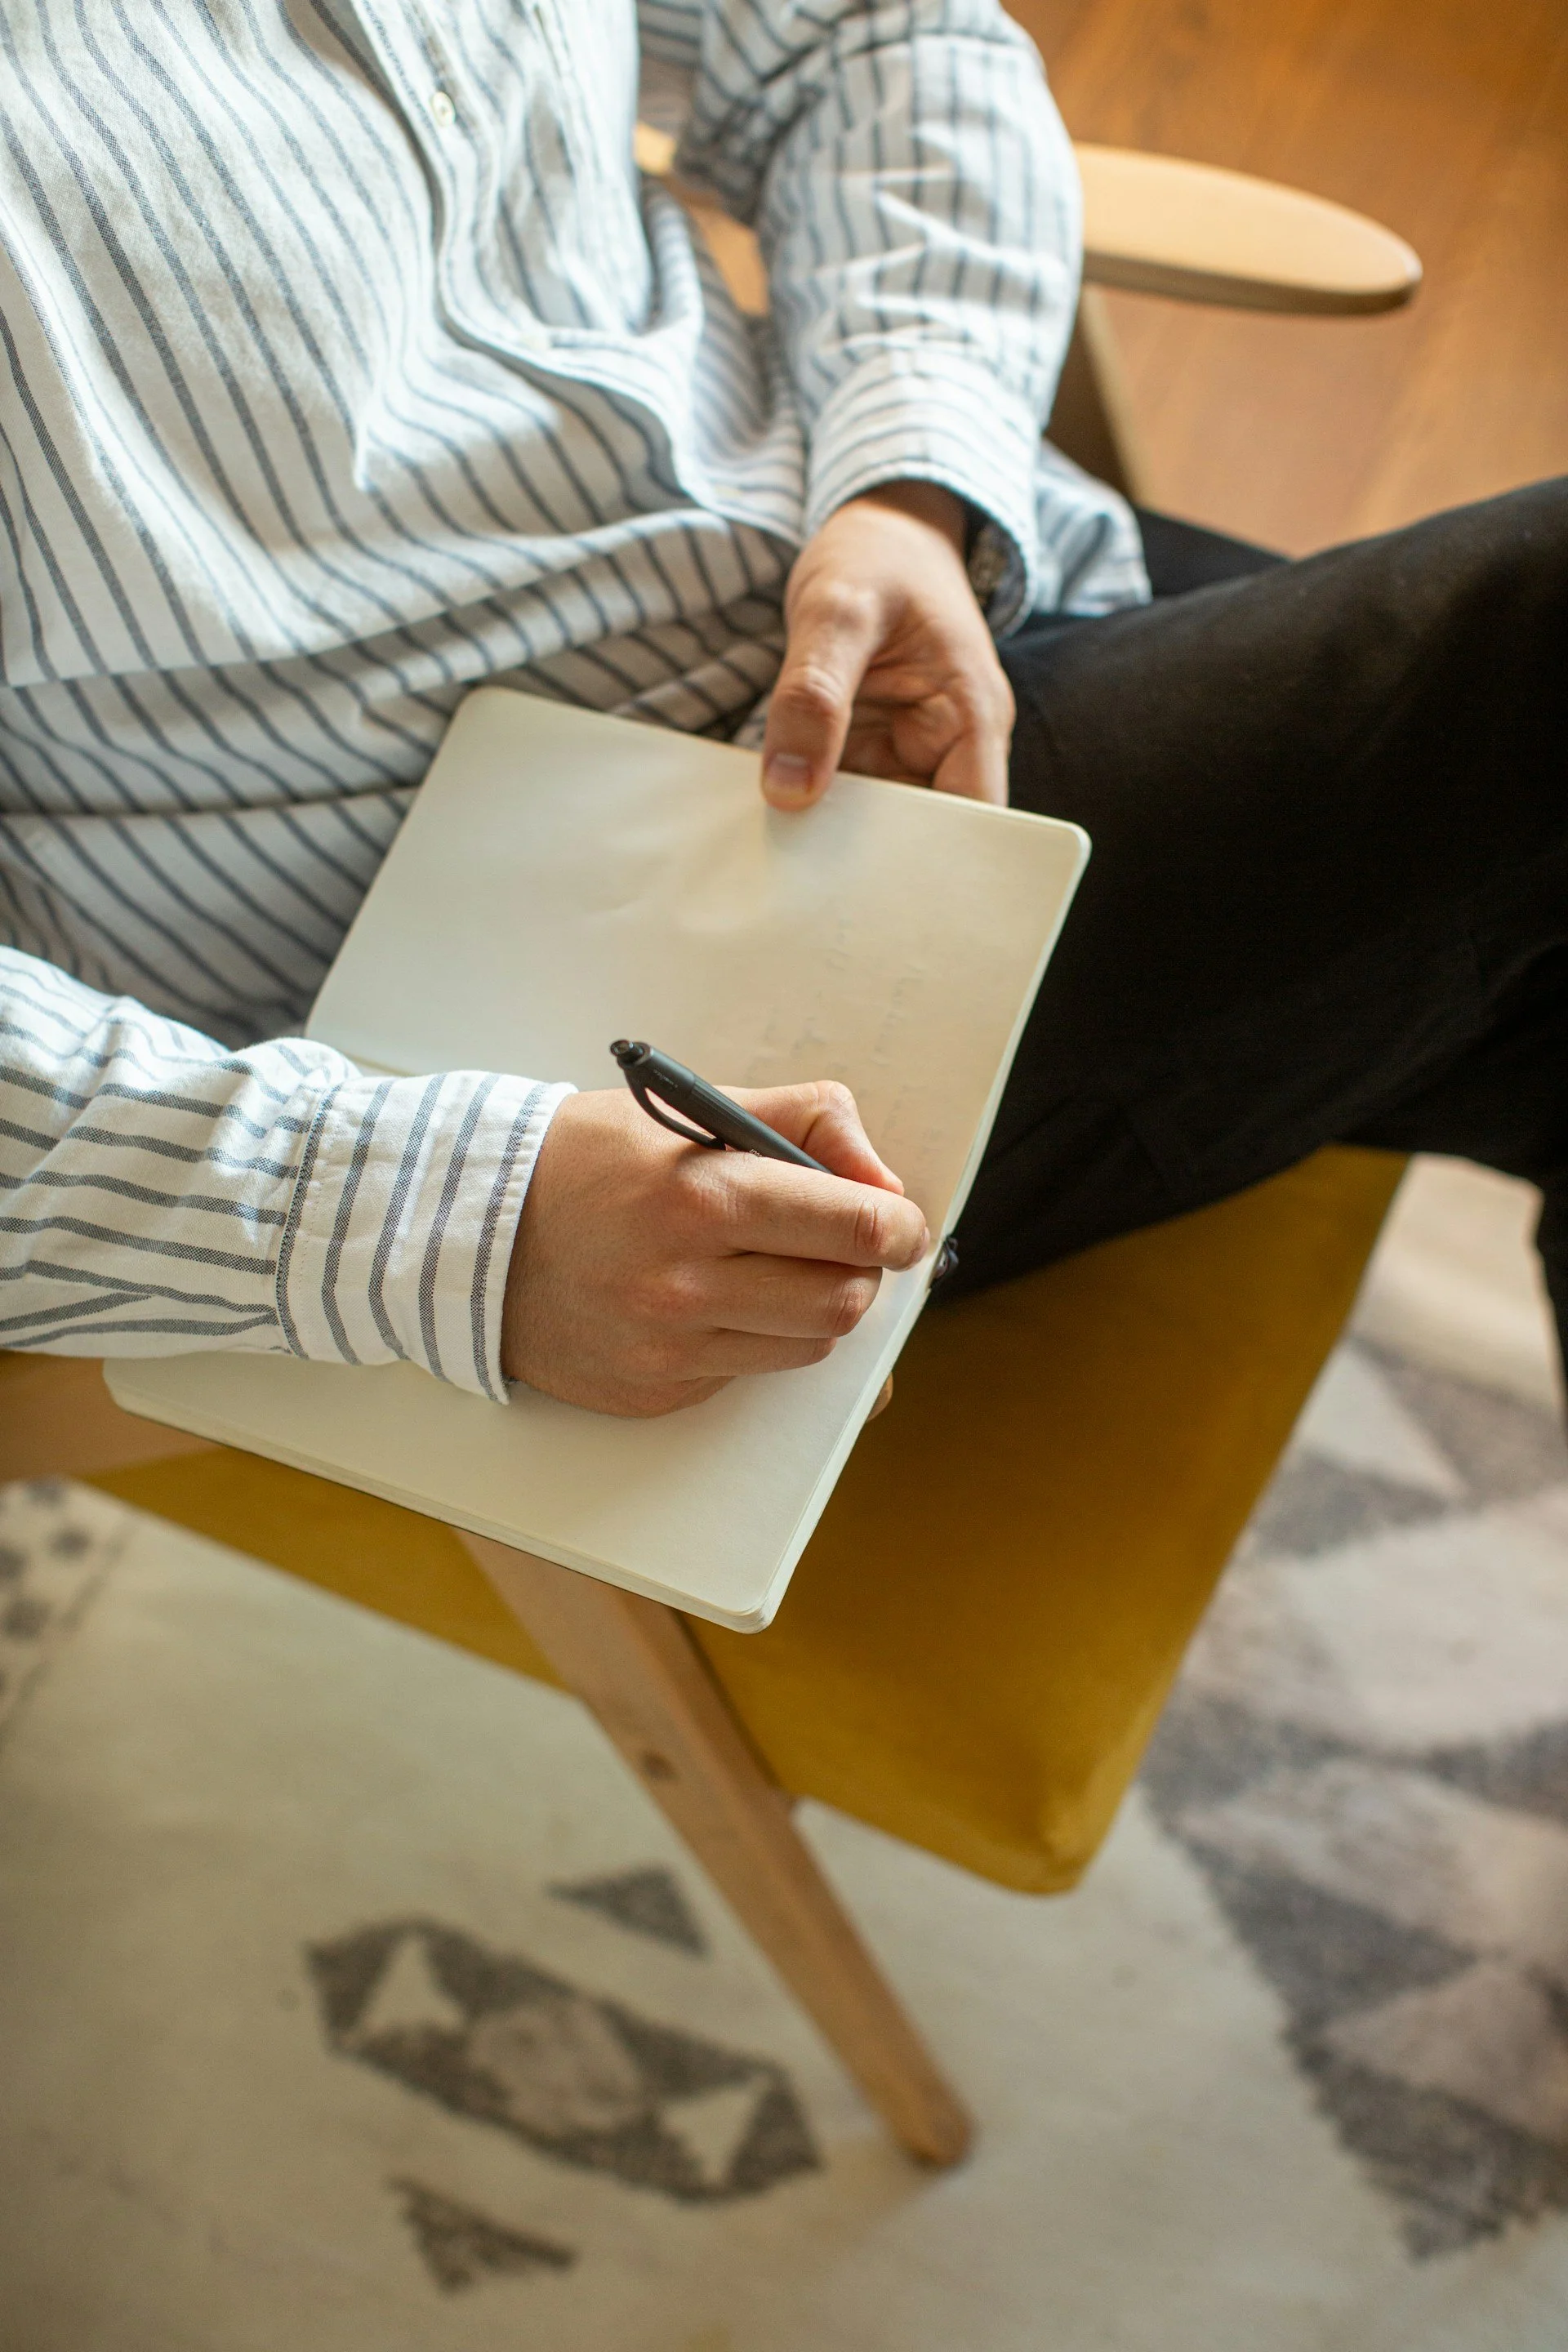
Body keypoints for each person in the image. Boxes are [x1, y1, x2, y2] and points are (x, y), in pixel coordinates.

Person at [1, 2, 1562, 1420]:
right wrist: (451, 1214)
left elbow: (861, 31)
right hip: (501, 1052)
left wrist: (907, 484)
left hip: (937, 592)